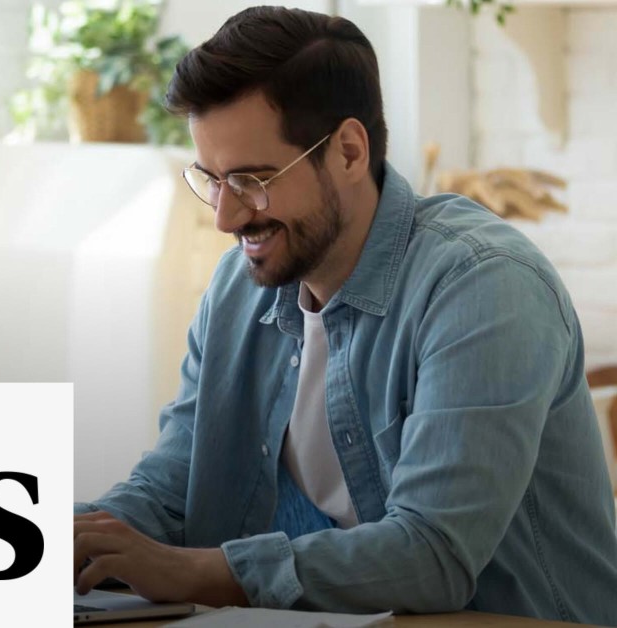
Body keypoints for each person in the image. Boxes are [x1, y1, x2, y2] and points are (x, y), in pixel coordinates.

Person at [72, 6, 617, 624]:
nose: (225, 217)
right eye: (212, 179)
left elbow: (433, 554)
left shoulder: (484, 288)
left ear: (350, 152)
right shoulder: (238, 287)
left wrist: (190, 572)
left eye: (251, 179)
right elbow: (173, 489)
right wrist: (66, 542)